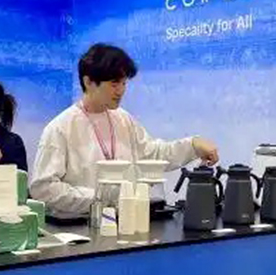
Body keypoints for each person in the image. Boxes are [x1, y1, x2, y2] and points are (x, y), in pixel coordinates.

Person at [30, 43, 219, 218]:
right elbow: (43, 188)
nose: (120, 91)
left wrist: (192, 146)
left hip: (127, 222)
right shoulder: (60, 128)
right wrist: (99, 199)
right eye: (114, 83)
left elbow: (153, 155)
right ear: (88, 82)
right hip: (79, 229)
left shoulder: (123, 120)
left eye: (124, 83)